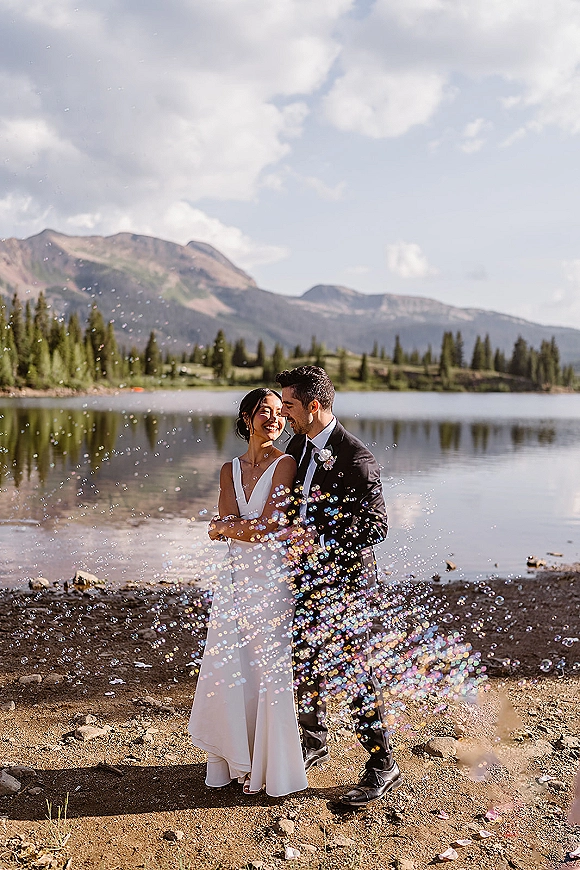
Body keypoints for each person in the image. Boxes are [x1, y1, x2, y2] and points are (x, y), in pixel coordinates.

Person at [276, 365, 401, 808]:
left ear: (313, 406)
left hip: (346, 582)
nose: (283, 413)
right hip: (307, 576)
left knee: (354, 670)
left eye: (288, 404)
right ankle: (314, 742)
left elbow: (377, 525)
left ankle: (383, 763)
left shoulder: (356, 457)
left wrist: (320, 539)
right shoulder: (300, 445)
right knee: (305, 659)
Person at [188, 388, 308, 798]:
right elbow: (230, 522)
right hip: (235, 580)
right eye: (264, 412)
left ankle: (268, 765)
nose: (274, 419)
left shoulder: (286, 463)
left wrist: (227, 528)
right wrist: (230, 527)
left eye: (279, 412)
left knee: (266, 667)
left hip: (271, 581)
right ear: (246, 417)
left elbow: (271, 527)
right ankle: (236, 757)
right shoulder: (228, 469)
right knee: (232, 664)